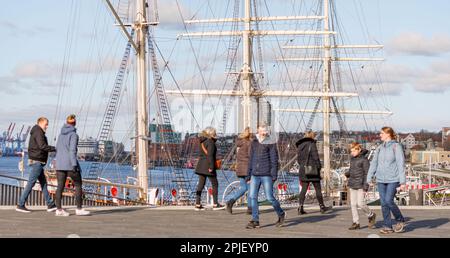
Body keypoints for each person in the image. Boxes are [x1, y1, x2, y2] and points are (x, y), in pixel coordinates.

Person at [367, 127, 406, 234]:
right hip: (380, 179)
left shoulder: (396, 146)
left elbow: (400, 164)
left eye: (382, 133)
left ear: (388, 134)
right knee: (384, 203)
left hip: (393, 179)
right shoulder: (379, 148)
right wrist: (369, 177)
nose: (380, 135)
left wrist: (402, 182)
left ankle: (400, 220)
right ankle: (387, 226)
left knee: (389, 201)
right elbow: (374, 163)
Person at [246, 124, 285, 229]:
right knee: (252, 196)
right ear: (258, 130)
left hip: (266, 174)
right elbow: (251, 160)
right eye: (261, 130)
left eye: (265, 130)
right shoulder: (254, 143)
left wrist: (273, 176)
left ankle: (281, 214)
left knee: (269, 197)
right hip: (255, 174)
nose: (263, 132)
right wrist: (248, 175)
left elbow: (274, 160)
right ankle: (255, 220)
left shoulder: (271, 143)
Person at [16, 117, 57, 213]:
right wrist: (54, 148)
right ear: (40, 123)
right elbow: (42, 146)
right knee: (31, 183)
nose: (47, 126)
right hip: (37, 161)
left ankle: (50, 204)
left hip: (37, 161)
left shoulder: (37, 131)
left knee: (43, 183)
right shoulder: (38, 132)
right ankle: (20, 204)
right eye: (46, 124)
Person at [54, 114, 90, 216]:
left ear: (66, 123)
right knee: (78, 185)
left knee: (60, 186)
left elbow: (58, 149)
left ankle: (59, 209)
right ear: (74, 123)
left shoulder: (61, 135)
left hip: (59, 164)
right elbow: (72, 150)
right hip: (70, 163)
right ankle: (78, 209)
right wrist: (74, 164)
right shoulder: (74, 135)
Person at [295, 131, 331, 215]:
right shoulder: (312, 144)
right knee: (317, 189)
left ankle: (300, 207)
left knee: (303, 189)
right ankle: (322, 207)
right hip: (313, 170)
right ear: (312, 136)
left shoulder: (300, 146)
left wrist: (303, 166)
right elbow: (316, 157)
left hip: (303, 170)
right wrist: (319, 167)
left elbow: (299, 160)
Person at [345, 142, 376, 230]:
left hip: (361, 184)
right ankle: (356, 222)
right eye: (351, 151)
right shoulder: (352, 159)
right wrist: (347, 174)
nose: (352, 153)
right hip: (352, 183)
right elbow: (352, 170)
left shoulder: (364, 160)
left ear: (359, 150)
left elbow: (367, 174)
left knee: (361, 203)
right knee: (353, 204)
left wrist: (366, 186)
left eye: (354, 151)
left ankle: (371, 215)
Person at [194, 126, 224, 211]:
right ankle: (215, 204)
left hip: (200, 166)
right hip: (208, 167)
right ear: (211, 134)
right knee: (215, 184)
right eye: (214, 133)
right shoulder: (210, 142)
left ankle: (197, 204)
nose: (215, 134)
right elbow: (210, 155)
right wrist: (211, 166)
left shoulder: (202, 142)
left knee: (201, 185)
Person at [226, 127, 252, 214]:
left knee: (244, 188)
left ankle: (231, 201)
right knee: (250, 188)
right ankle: (250, 208)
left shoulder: (239, 143)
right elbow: (250, 157)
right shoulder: (249, 143)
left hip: (240, 169)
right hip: (247, 169)